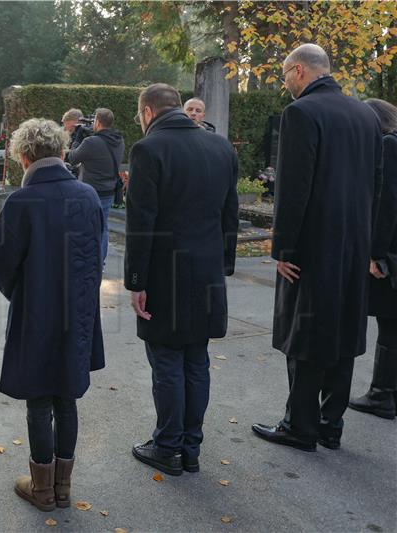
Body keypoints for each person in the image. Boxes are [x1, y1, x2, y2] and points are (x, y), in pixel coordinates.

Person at [252, 44, 382, 451]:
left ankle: (300, 426)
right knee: (342, 333)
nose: (286, 83)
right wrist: (371, 244)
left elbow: (293, 189)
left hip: (312, 246)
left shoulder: (301, 113)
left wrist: (284, 249)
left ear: (299, 71)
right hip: (355, 243)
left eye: (286, 75)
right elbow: (376, 186)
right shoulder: (365, 114)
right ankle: (331, 424)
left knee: (305, 334)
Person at [0, 118, 104, 512]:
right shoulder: (87, 196)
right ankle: (63, 487)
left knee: (39, 400)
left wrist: (22, 292)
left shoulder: (21, 202)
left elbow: (2, 264)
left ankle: (42, 489)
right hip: (79, 309)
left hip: (36, 309)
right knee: (66, 396)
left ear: (24, 156)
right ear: (62, 152)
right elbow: (97, 256)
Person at [125, 83, 239, 476]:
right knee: (197, 359)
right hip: (206, 270)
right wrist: (224, 265)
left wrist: (136, 282)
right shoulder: (221, 147)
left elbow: (141, 222)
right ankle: (190, 447)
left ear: (148, 112)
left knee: (168, 360)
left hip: (165, 273)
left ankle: (168, 444)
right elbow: (230, 214)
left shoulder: (149, 149)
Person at [348, 99, 397, 420]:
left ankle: (382, 394)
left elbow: (386, 201)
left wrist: (375, 254)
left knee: (390, 321)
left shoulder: (388, 145)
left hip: (390, 250)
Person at [67, 108, 126, 264]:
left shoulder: (91, 142)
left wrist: (78, 137)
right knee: (103, 227)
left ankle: (85, 259)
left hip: (89, 190)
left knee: (85, 226)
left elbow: (72, 157)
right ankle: (100, 261)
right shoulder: (119, 140)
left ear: (98, 122)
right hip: (109, 190)